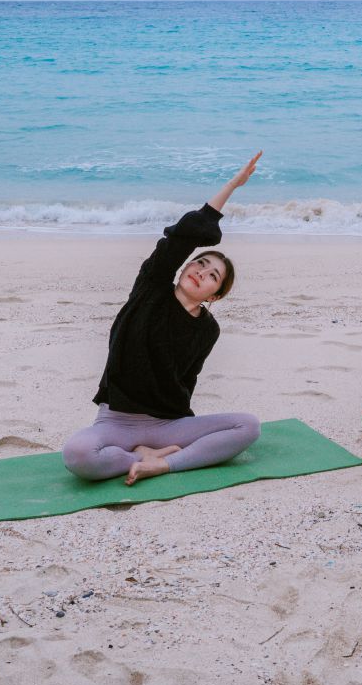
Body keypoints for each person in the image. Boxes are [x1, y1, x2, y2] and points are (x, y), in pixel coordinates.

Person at [62, 152, 263, 485]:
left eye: (213, 276)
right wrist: (232, 185)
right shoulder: (151, 287)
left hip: (167, 424)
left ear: (215, 295)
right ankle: (142, 458)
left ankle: (165, 464)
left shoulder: (207, 329)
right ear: (184, 267)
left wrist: (188, 431)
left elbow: (188, 380)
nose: (202, 272)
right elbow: (182, 238)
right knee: (77, 456)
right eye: (200, 264)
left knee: (248, 426)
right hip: (117, 422)